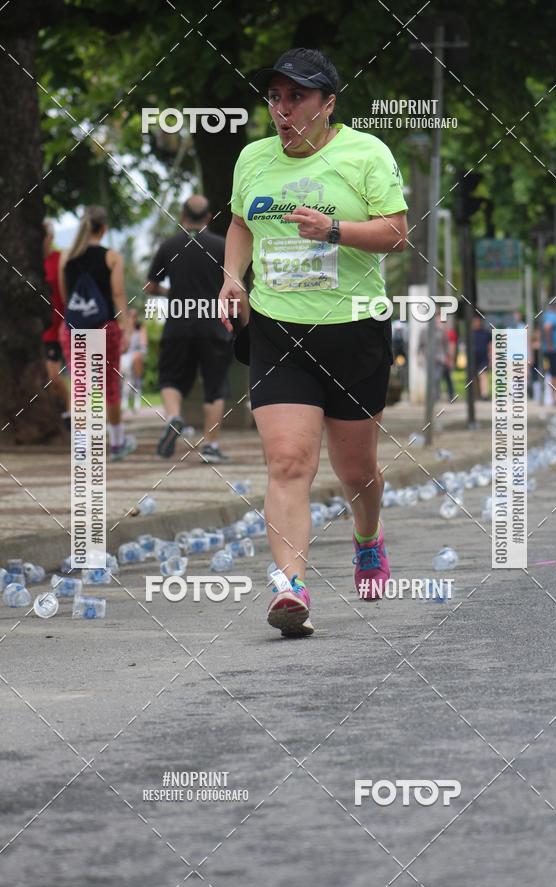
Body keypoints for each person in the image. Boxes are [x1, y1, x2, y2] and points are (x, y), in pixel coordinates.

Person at [219, 48, 408, 637]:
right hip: (278, 330)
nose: (283, 109)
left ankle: (367, 537)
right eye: (275, 97)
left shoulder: (366, 154)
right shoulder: (252, 159)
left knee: (357, 471)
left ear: (329, 103)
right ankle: (290, 585)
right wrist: (231, 276)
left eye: (297, 97)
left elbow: (397, 232)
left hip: (354, 331)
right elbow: (241, 222)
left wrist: (333, 229)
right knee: (288, 462)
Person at [146, 196, 233, 461]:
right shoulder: (221, 246)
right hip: (214, 326)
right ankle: (211, 446)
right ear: (208, 217)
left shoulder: (170, 245)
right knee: (215, 386)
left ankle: (173, 417)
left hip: (178, 325)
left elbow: (151, 285)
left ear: (182, 216)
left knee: (170, 378)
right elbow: (234, 284)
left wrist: (171, 293)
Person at [58, 205, 136, 460]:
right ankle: (116, 442)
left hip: (73, 328)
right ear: (103, 228)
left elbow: (65, 296)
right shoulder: (112, 256)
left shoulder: (66, 257)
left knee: (79, 385)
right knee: (110, 385)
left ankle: (81, 446)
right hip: (105, 327)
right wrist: (125, 327)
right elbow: (117, 293)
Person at [42, 219, 70, 428]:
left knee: (53, 376)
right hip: (34, 330)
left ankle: (71, 413)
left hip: (56, 328)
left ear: (50, 238)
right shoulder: (27, 263)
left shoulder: (60, 260)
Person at [418, 311, 452, 402]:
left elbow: (446, 345)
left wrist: (448, 358)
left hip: (440, 358)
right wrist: (419, 357)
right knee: (433, 377)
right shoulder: (424, 331)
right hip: (429, 358)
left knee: (438, 377)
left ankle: (438, 396)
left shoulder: (441, 332)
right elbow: (420, 346)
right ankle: (436, 396)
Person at [120, 308, 148, 413]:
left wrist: (138, 353)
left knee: (136, 361)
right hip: (124, 357)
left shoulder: (140, 329)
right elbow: (120, 347)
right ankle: (124, 401)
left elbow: (143, 346)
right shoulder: (122, 330)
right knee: (124, 372)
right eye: (130, 316)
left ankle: (136, 400)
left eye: (134, 316)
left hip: (136, 355)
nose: (132, 318)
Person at [540, 306, 556, 406]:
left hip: (551, 350)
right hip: (554, 351)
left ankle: (555, 399)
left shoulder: (546, 315)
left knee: (553, 374)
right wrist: (550, 345)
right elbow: (547, 327)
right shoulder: (552, 316)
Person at [471, 315, 492, 400]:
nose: (477, 323)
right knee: (473, 377)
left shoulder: (486, 333)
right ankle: (475, 395)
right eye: (475, 321)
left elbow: (490, 345)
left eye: (478, 321)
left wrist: (491, 356)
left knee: (483, 376)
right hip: (472, 358)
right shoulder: (470, 333)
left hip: (483, 357)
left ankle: (484, 395)